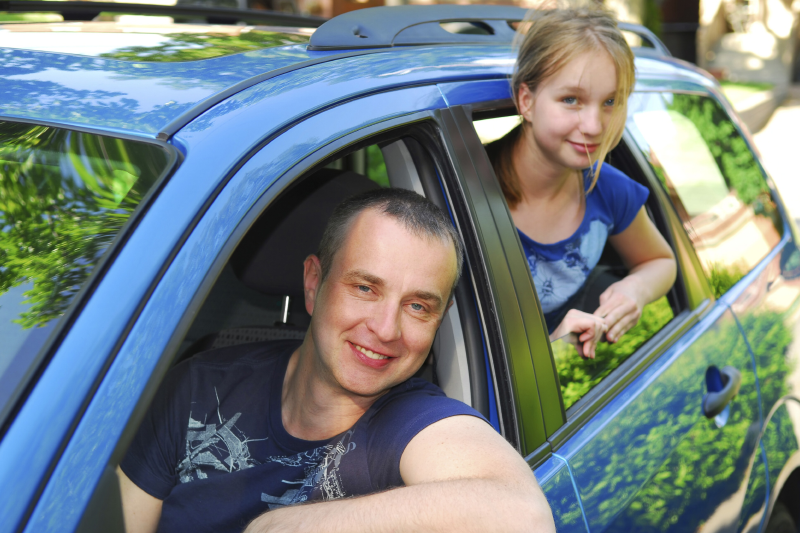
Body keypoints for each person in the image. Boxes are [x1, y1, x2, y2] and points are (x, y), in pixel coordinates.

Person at [117, 188, 556, 533]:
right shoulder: (198, 384)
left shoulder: (412, 423)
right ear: (313, 283)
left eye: (418, 306)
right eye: (365, 288)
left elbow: (523, 516)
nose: (386, 329)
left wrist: (287, 527)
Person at [486, 4, 677, 358]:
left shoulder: (609, 190)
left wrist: (633, 291)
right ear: (526, 100)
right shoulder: (465, 194)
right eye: (571, 99)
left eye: (610, 102)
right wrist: (553, 348)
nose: (594, 125)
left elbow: (661, 262)